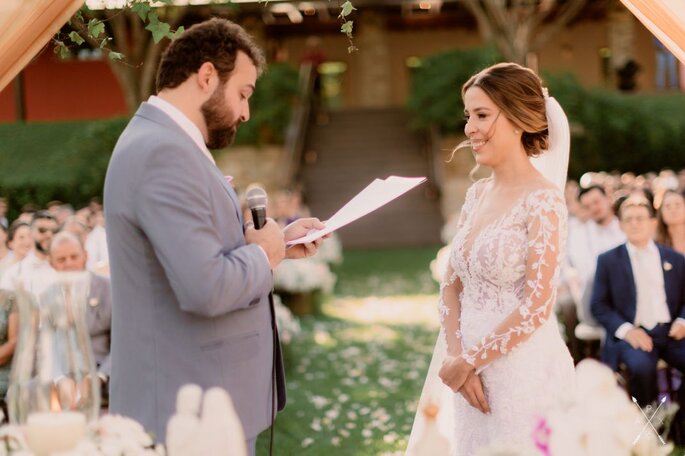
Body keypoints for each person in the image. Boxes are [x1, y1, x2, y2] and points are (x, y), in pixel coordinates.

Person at [103, 18, 325, 451]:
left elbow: (191, 257)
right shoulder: (162, 152)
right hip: (184, 411)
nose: (245, 112)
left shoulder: (167, 143)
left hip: (202, 400)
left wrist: (275, 245)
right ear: (207, 76)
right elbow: (204, 287)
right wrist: (263, 258)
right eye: (243, 93)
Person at [408, 62, 575, 454]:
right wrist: (455, 358)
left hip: (524, 373)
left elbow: (537, 306)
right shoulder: (475, 195)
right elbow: (451, 285)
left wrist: (470, 360)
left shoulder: (544, 200)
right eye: (468, 116)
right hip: (466, 376)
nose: (469, 128)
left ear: (518, 118)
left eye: (482, 115)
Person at [590, 196, 685, 436]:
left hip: (671, 331)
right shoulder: (608, 260)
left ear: (653, 223)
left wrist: (683, 320)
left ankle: (679, 421)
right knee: (642, 369)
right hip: (635, 333)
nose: (635, 224)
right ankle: (653, 432)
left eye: (640, 218)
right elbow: (598, 305)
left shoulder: (675, 258)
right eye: (628, 219)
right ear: (621, 225)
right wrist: (626, 330)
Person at [48, 232, 111, 395]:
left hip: (99, 370)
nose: (69, 264)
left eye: (74, 257)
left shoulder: (107, 289)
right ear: (51, 263)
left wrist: (101, 376)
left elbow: (122, 341)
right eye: (61, 260)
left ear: (85, 256)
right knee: (21, 392)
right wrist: (59, 379)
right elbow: (44, 346)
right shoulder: (45, 295)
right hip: (59, 374)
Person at [0, 211, 58, 291]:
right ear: (31, 233)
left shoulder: (65, 267)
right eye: (42, 230)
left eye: (54, 231)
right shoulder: (15, 273)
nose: (49, 235)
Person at [656, 189, 685, 255]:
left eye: (677, 205)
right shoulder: (656, 245)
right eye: (668, 206)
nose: (673, 210)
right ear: (661, 213)